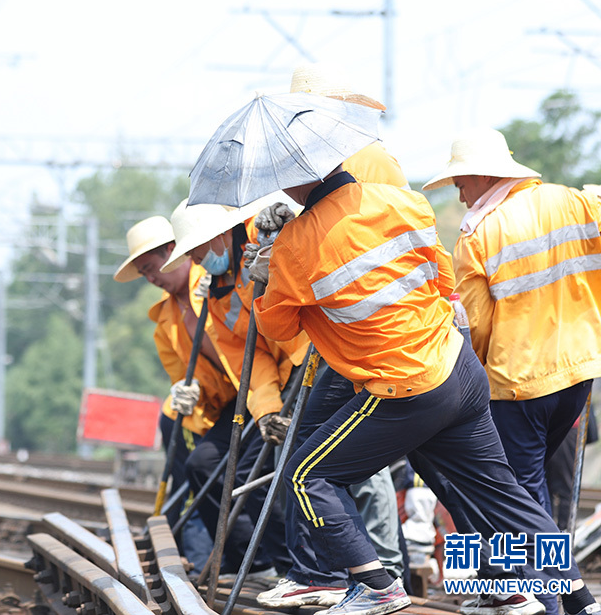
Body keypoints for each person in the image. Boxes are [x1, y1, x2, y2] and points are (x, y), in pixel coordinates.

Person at [249, 123, 601, 615]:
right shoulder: (404, 202)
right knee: (510, 500)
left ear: (291, 182)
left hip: (407, 385)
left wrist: (262, 280)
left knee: (307, 475)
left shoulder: (295, 245)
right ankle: (581, 602)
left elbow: (281, 330)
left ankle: (374, 583)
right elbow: (442, 279)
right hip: (462, 370)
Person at [423, 128, 601, 615]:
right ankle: (515, 587)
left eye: (461, 183)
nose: (459, 194)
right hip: (580, 371)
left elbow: (476, 325)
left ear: (483, 175)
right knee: (528, 492)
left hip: (518, 380)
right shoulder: (574, 202)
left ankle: (548, 598)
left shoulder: (479, 233)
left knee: (520, 498)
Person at [255, 62, 406, 610]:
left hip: (373, 333)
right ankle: (324, 571)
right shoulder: (311, 163)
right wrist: (274, 239)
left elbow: (381, 238)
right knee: (316, 454)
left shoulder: (370, 159)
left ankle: (367, 574)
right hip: (337, 335)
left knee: (343, 463)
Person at [161, 196, 308, 576]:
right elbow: (251, 357)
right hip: (271, 380)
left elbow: (308, 265)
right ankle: (257, 562)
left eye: (195, 251)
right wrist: (268, 409)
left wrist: (281, 239)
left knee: (256, 475)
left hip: (310, 359)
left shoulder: (267, 233)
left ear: (220, 234)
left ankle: (296, 568)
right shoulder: (215, 292)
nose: (194, 262)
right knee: (206, 463)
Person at [112, 214, 220, 568]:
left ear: (173, 251)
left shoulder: (216, 282)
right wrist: (188, 391)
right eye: (143, 274)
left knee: (200, 469)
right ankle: (195, 555)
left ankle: (211, 555)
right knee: (179, 442)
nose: (151, 278)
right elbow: (180, 374)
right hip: (205, 409)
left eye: (151, 267)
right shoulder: (165, 320)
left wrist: (218, 300)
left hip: (252, 395)